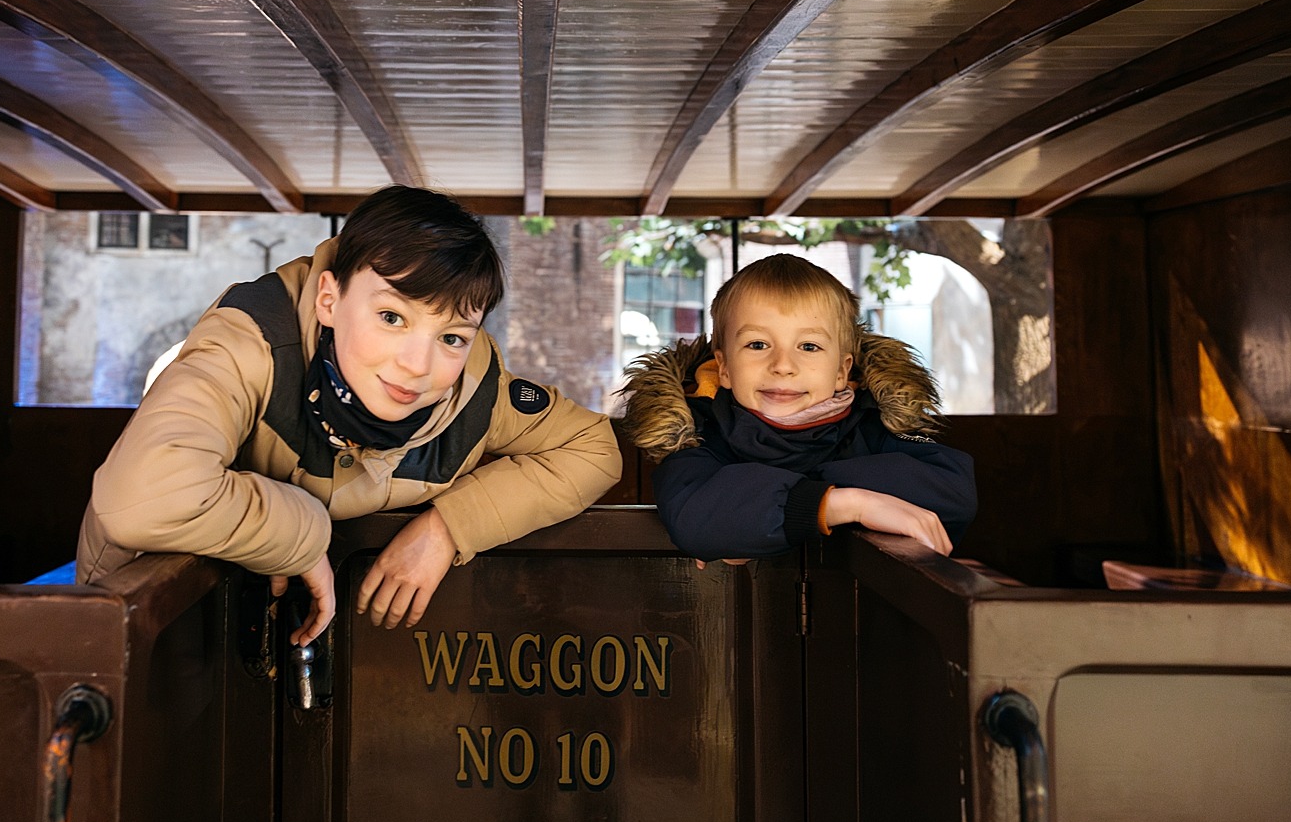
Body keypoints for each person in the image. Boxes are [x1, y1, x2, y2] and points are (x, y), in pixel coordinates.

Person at [76, 186, 622, 646]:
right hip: (132, 635)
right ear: (329, 301)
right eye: (391, 317)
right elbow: (144, 499)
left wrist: (449, 528)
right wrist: (303, 530)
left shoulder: (475, 395)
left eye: (451, 336)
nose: (416, 365)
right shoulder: (250, 344)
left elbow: (594, 448)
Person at [617, 254, 975, 563]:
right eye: (758, 344)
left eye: (809, 346)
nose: (783, 365)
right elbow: (695, 517)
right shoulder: (699, 435)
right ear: (723, 368)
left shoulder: (872, 423)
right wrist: (847, 506)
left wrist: (788, 506)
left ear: (841, 371)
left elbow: (952, 494)